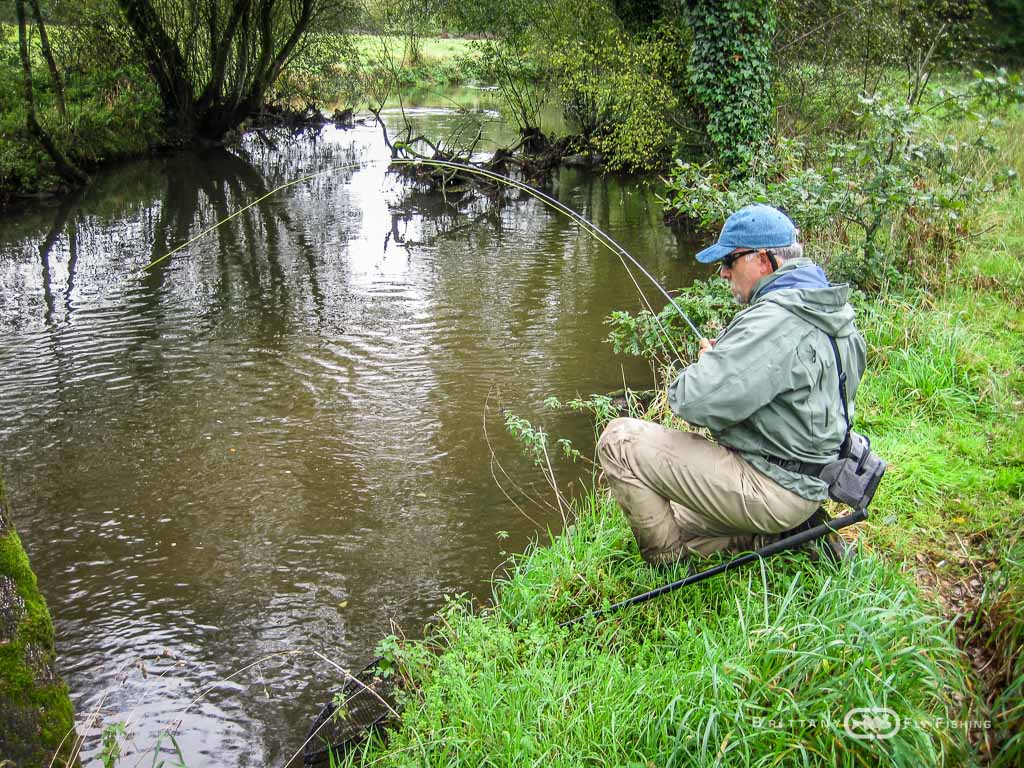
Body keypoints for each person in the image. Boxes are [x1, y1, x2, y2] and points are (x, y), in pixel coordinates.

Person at [597, 204, 866, 565]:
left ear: (763, 260)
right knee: (673, 518)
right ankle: (778, 538)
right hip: (808, 481)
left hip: (775, 486)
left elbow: (690, 401)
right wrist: (731, 362)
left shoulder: (774, 321)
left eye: (730, 261)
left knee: (619, 442)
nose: (723, 273)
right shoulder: (827, 307)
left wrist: (710, 364)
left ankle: (666, 567)